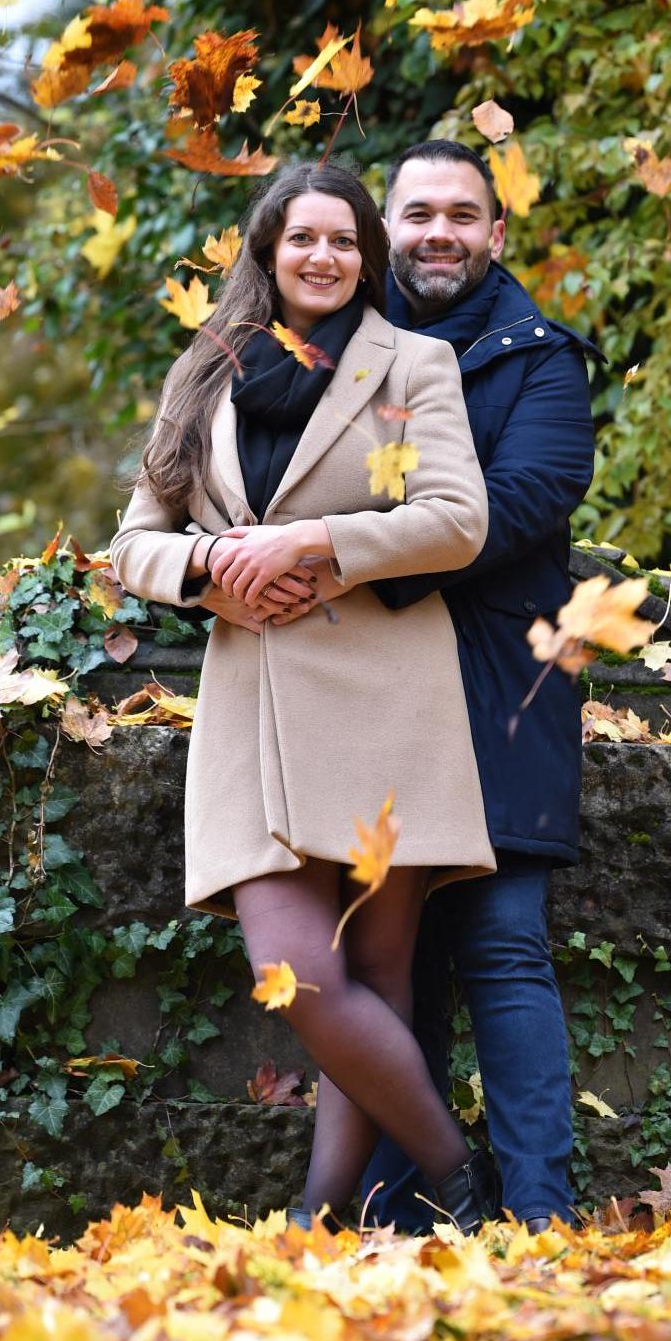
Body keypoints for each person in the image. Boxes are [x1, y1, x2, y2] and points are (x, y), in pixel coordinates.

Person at [110, 161, 501, 1234]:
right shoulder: (204, 368)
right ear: (268, 250)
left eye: (343, 240)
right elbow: (134, 542)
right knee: (298, 971)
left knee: (372, 975)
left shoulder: (413, 365)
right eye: (302, 239)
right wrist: (215, 561)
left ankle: (319, 1230)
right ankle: (458, 1173)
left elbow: (456, 520)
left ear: (366, 258)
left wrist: (317, 542)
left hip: (384, 698)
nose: (322, 257)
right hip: (251, 708)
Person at [235, 142, 605, 1233]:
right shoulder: (329, 347)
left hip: (496, 682)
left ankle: (538, 1212)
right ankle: (399, 1217)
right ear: (385, 231)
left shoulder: (540, 359)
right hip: (352, 682)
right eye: (416, 214)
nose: (437, 231)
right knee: (378, 960)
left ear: (496, 233)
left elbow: (525, 497)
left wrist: (341, 562)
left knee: (497, 939)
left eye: (462, 214)